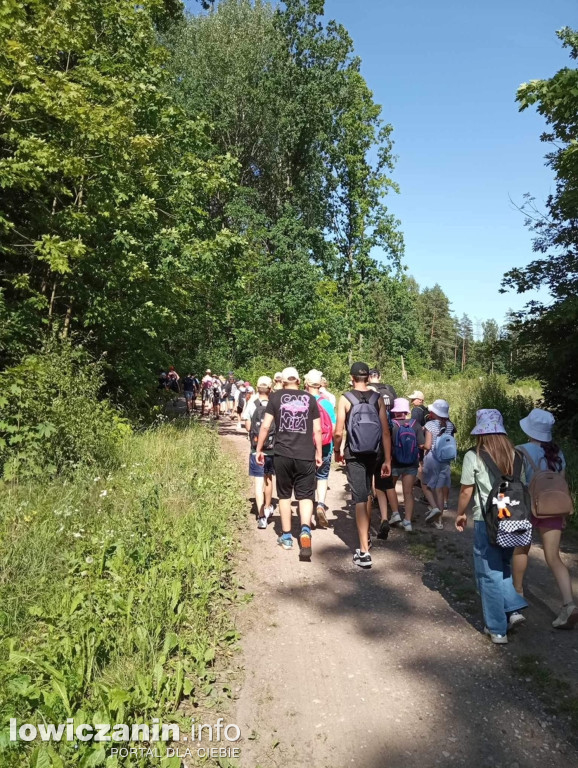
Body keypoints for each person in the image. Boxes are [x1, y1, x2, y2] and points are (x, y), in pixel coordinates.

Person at [455, 409, 528, 644]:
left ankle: (497, 629)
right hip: (515, 521)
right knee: (503, 566)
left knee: (489, 574)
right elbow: (524, 488)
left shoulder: (474, 456)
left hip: (486, 521)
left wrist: (459, 513)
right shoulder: (517, 455)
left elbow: (467, 489)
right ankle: (513, 610)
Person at [512, 408, 578, 629]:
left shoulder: (520, 450)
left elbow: (516, 483)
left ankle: (517, 597)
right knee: (554, 557)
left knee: (520, 550)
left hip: (527, 509)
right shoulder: (557, 453)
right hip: (553, 509)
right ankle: (569, 605)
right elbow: (561, 482)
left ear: (530, 429)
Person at [255, 367, 322, 561]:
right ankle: (305, 531)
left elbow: (266, 426)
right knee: (306, 495)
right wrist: (318, 453)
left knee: (284, 495)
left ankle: (286, 537)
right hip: (305, 454)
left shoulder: (275, 398)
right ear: (300, 382)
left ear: (283, 382)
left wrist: (259, 449)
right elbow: (317, 430)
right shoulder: (310, 399)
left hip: (282, 454)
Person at [334, 362, 392, 569]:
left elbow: (339, 431)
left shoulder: (345, 398)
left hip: (355, 453)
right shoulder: (377, 398)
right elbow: (386, 431)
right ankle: (365, 536)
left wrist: (336, 450)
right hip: (374, 452)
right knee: (367, 492)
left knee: (359, 496)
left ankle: (364, 552)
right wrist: (387, 460)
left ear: (351, 378)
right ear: (368, 377)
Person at [304, 369, 336, 529]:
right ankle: (321, 504)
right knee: (322, 476)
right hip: (325, 445)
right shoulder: (327, 403)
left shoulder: (303, 401)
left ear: (306, 383)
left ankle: (308, 515)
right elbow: (334, 428)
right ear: (320, 384)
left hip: (306, 446)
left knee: (308, 479)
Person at [244, 376, 276, 529]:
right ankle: (269, 506)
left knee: (258, 483)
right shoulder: (274, 404)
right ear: (270, 389)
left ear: (257, 388)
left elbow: (248, 426)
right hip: (271, 449)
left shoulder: (251, 403)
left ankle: (261, 515)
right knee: (268, 479)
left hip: (255, 450)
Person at [389, 398, 425, 533]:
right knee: (408, 492)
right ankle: (408, 522)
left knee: (390, 487)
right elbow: (421, 445)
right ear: (406, 411)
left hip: (394, 462)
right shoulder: (415, 424)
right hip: (411, 463)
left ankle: (395, 513)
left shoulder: (392, 425)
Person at [422, 399, 456, 528]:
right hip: (445, 460)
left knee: (425, 485)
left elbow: (428, 445)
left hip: (432, 459)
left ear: (434, 412)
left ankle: (434, 508)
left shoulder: (430, 425)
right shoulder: (450, 425)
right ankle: (439, 522)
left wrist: (421, 446)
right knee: (440, 490)